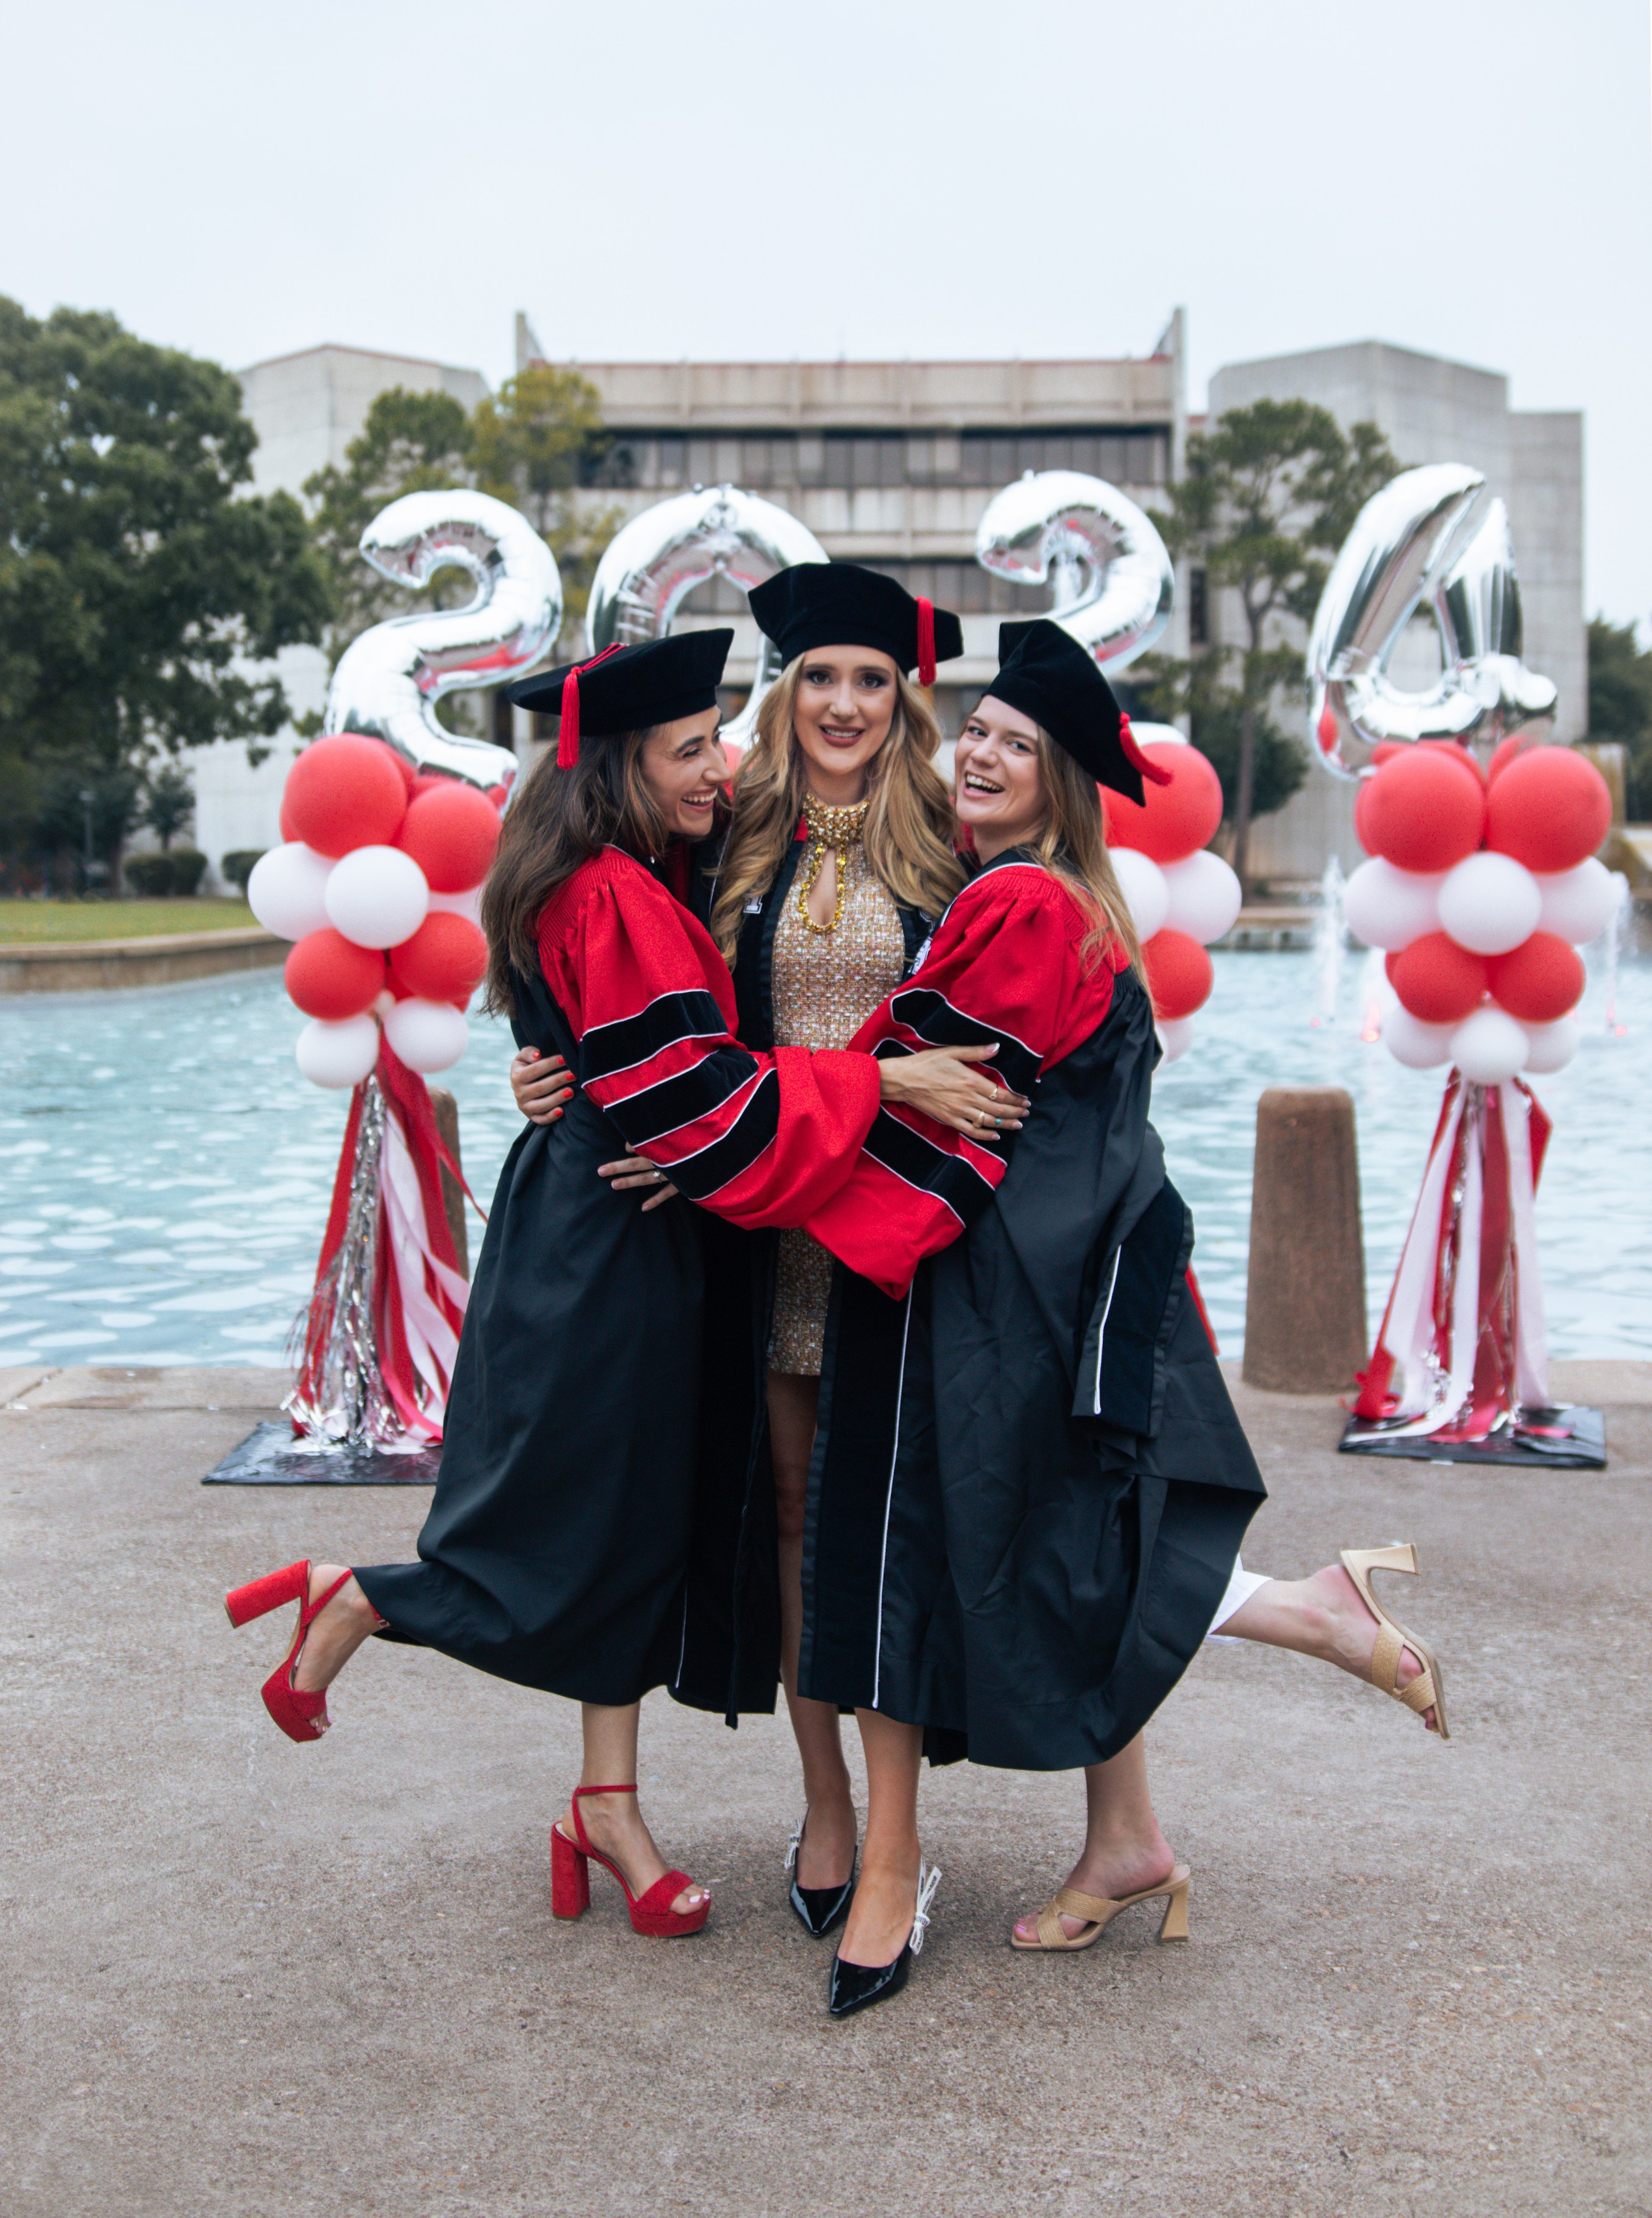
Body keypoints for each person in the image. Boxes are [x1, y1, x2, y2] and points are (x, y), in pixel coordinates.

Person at [223, 631, 1010, 1942]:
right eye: (691, 749)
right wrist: (879, 1083)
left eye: (714, 740)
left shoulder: (647, 870)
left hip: (665, 1227)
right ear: (623, 771)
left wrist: (576, 1077)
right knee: (579, 1514)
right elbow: (690, 1100)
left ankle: (605, 1803)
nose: (721, 766)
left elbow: (653, 1059)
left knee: (639, 1520)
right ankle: (369, 1598)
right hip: (618, 1234)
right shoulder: (616, 892)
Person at [786, 620, 1448, 2015]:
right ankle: (1126, 1839)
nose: (975, 752)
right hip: (1040, 1270)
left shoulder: (1022, 908)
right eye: (971, 731)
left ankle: (1320, 1619)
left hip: (998, 1289)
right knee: (1068, 1534)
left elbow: (914, 1081)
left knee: (1024, 1549)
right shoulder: (1037, 897)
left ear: (1059, 787)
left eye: (1013, 748)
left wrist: (777, 1107)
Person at [511, 566, 1027, 1940]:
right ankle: (828, 1809)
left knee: (891, 1536)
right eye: (818, 679)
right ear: (781, 693)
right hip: (763, 1236)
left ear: (903, 698)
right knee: (798, 1529)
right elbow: (586, 921)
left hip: (906, 1241)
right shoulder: (726, 831)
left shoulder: (952, 838)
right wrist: (548, 1059)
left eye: (870, 679)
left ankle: (894, 1845)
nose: (844, 704)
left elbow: (1035, 1008)